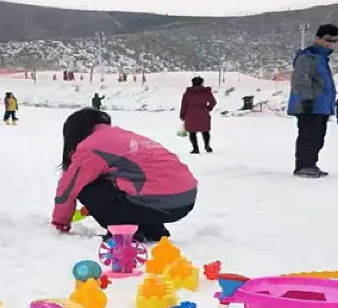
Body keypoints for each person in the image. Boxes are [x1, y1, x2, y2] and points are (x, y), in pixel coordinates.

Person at [51, 108, 197, 243]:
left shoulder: (91, 147)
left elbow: (68, 188)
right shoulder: (125, 136)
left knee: (85, 186)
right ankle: (151, 229)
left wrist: (59, 223)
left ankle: (124, 231)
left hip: (156, 202)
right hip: (185, 201)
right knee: (128, 182)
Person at [288, 23, 338, 178]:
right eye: (328, 39)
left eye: (335, 40)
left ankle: (311, 163)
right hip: (310, 105)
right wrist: (307, 100)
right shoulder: (307, 57)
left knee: (318, 137)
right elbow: (301, 80)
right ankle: (303, 166)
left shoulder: (323, 59)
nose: (331, 43)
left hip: (322, 106)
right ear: (318, 39)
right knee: (308, 136)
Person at [179, 76, 216, 154]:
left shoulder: (188, 93)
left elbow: (184, 105)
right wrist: (208, 108)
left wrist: (182, 115)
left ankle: (195, 149)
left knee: (192, 132)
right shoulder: (206, 92)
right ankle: (207, 145)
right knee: (205, 131)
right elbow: (213, 102)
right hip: (203, 112)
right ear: (202, 83)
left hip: (191, 113)